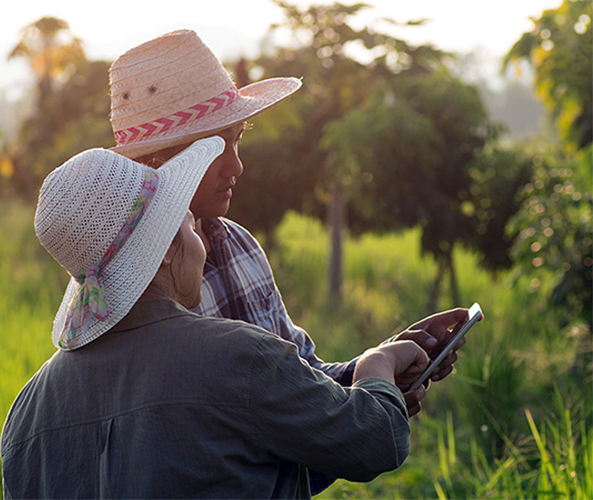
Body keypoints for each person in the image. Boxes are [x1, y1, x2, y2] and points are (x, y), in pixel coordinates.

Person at [106, 29, 470, 493]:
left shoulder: (238, 247)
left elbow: (300, 377)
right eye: (219, 148)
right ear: (161, 161)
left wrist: (379, 367)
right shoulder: (120, 281)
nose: (236, 166)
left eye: (238, 142)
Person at [1, 136, 433, 499]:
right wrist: (375, 368)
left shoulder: (25, 416)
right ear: (168, 249)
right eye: (190, 226)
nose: (202, 242)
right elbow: (375, 441)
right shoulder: (241, 355)